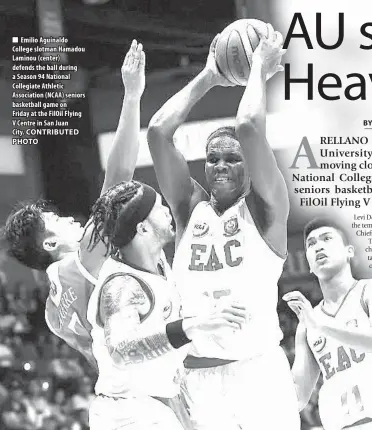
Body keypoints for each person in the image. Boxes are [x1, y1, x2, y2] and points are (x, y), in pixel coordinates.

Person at [147, 26, 300, 429]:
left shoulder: (267, 209)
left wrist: (258, 69)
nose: (219, 165)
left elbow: (248, 126)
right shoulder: (188, 209)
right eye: (212, 158)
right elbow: (159, 133)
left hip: (258, 371)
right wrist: (210, 76)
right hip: (198, 376)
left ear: (251, 167)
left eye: (231, 159)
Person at [1, 40, 146, 369]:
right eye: (57, 220)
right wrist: (133, 95)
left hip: (118, 401)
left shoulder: (54, 314)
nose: (69, 219)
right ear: (50, 242)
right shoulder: (81, 259)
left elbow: (100, 362)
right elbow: (119, 176)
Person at [85, 180, 247, 430]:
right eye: (159, 208)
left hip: (160, 402)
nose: (166, 212)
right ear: (143, 228)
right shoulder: (123, 286)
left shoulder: (156, 259)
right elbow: (121, 350)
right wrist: (193, 326)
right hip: (127, 415)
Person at [284, 218, 372, 430]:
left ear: (349, 251)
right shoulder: (307, 324)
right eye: (311, 244)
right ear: (309, 264)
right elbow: (298, 396)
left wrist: (320, 325)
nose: (318, 246)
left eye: (327, 239)